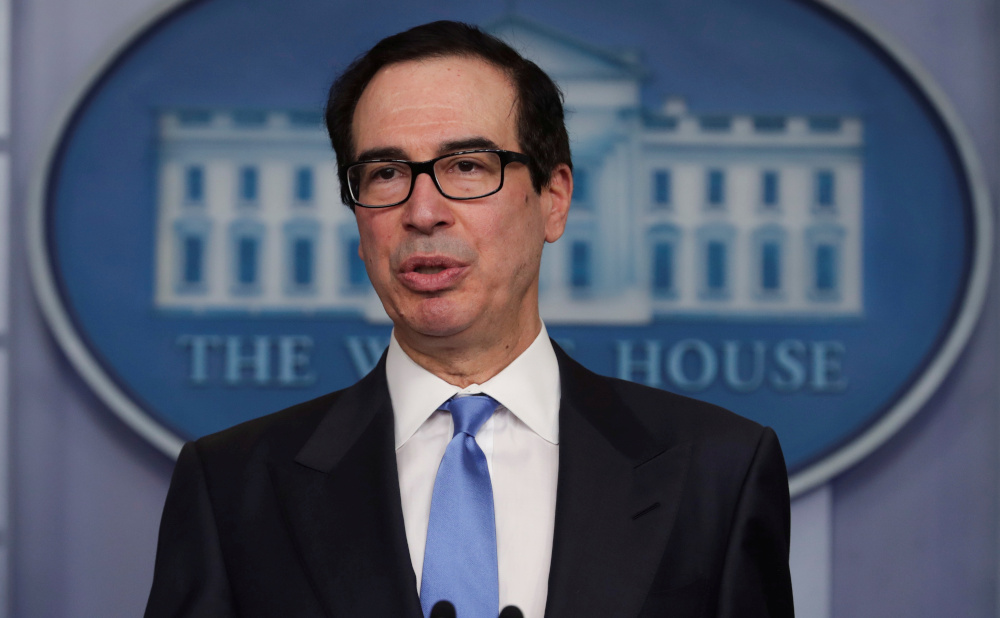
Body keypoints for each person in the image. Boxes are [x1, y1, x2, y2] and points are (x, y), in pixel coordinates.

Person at [145, 20, 794, 618]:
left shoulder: (718, 473)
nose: (422, 211)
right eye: (384, 172)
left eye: (466, 167)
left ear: (554, 199)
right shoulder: (231, 487)